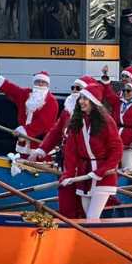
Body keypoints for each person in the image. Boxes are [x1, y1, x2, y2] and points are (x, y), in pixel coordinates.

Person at [34, 76, 94, 218]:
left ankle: (83, 221)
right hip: (68, 160)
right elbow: (56, 131)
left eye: (78, 89)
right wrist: (42, 149)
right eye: (72, 88)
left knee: (83, 196)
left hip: (87, 163)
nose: (74, 91)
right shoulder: (67, 110)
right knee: (65, 190)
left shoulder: (93, 115)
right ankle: (67, 219)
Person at [62, 82, 122, 220]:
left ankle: (94, 240)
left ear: (93, 102)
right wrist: (68, 174)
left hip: (103, 175)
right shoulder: (77, 121)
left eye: (85, 99)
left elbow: (117, 149)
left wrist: (102, 170)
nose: (81, 101)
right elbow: (70, 151)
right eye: (81, 98)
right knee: (87, 217)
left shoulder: (106, 121)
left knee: (92, 217)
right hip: (84, 175)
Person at [0, 67, 59, 156]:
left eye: (43, 82)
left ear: (47, 85)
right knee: (21, 163)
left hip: (41, 143)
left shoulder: (52, 101)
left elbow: (44, 123)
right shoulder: (26, 94)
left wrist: (24, 131)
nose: (40, 84)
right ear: (34, 83)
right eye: (38, 81)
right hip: (24, 142)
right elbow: (13, 90)